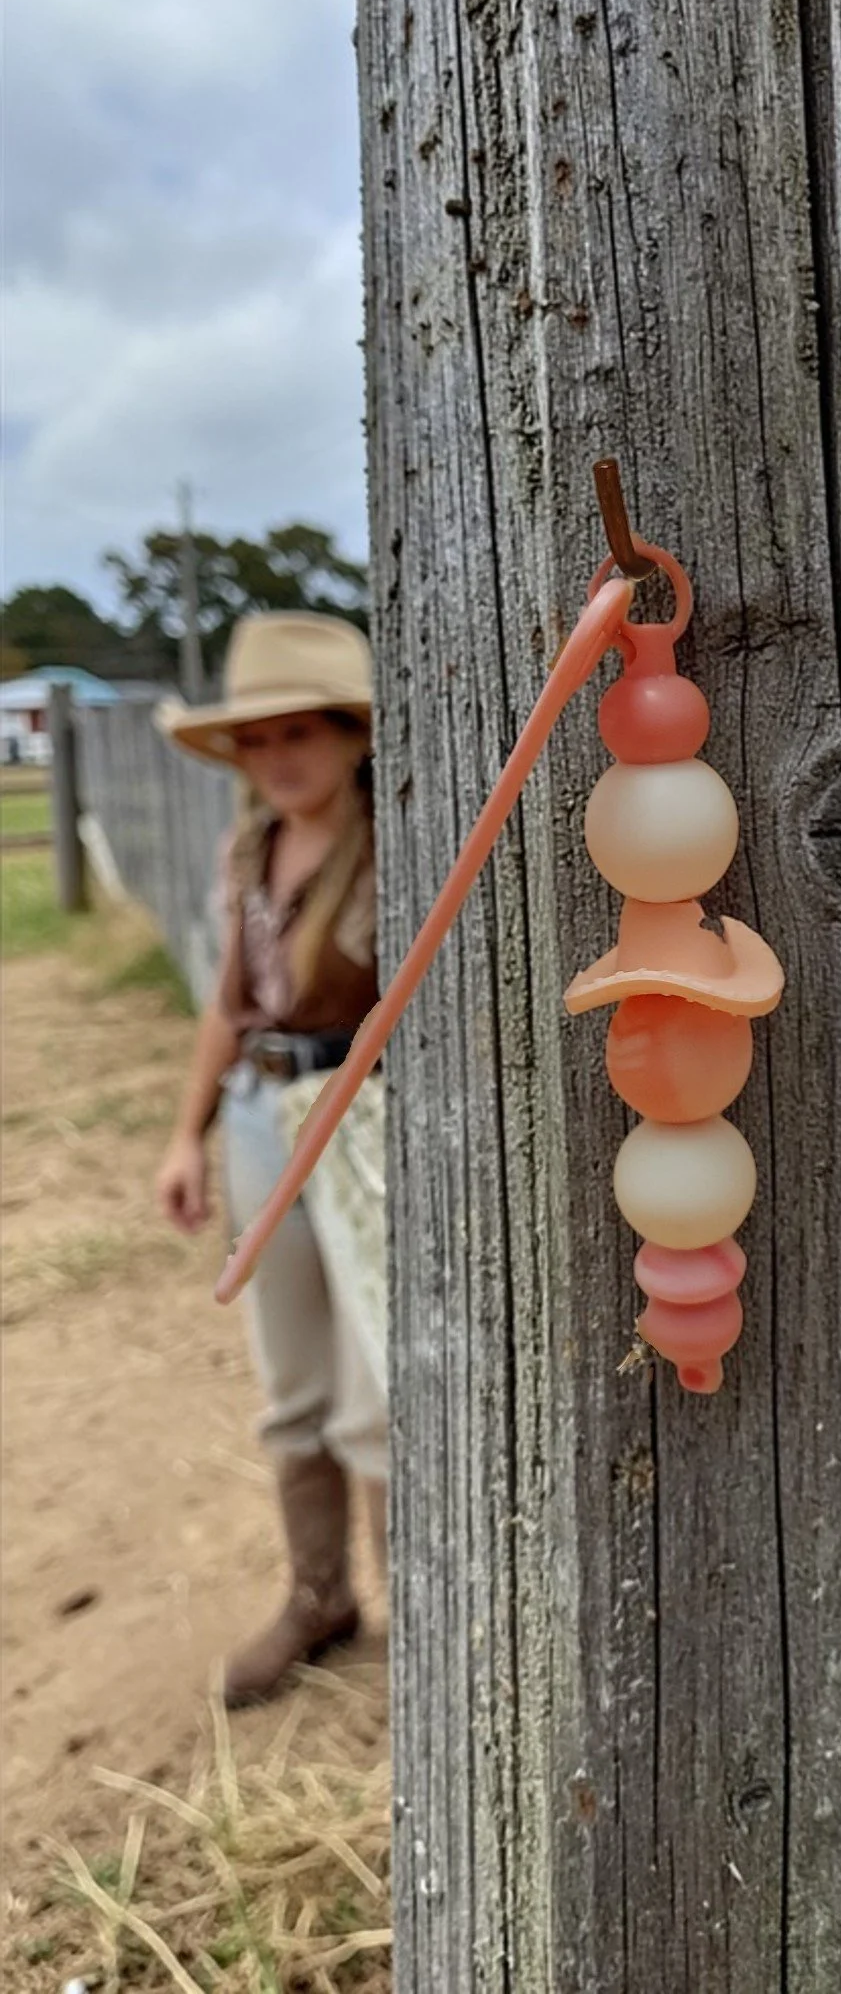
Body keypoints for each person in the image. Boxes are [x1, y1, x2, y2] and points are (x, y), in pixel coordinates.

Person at [154, 611, 386, 1706]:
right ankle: (318, 1594)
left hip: (364, 1118)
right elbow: (228, 1002)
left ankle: (417, 1618)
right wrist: (186, 1133)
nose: (275, 757)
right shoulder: (248, 849)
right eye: (254, 738)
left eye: (298, 731)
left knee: (375, 1382)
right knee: (291, 1375)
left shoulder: (390, 841)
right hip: (261, 1111)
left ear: (348, 734)